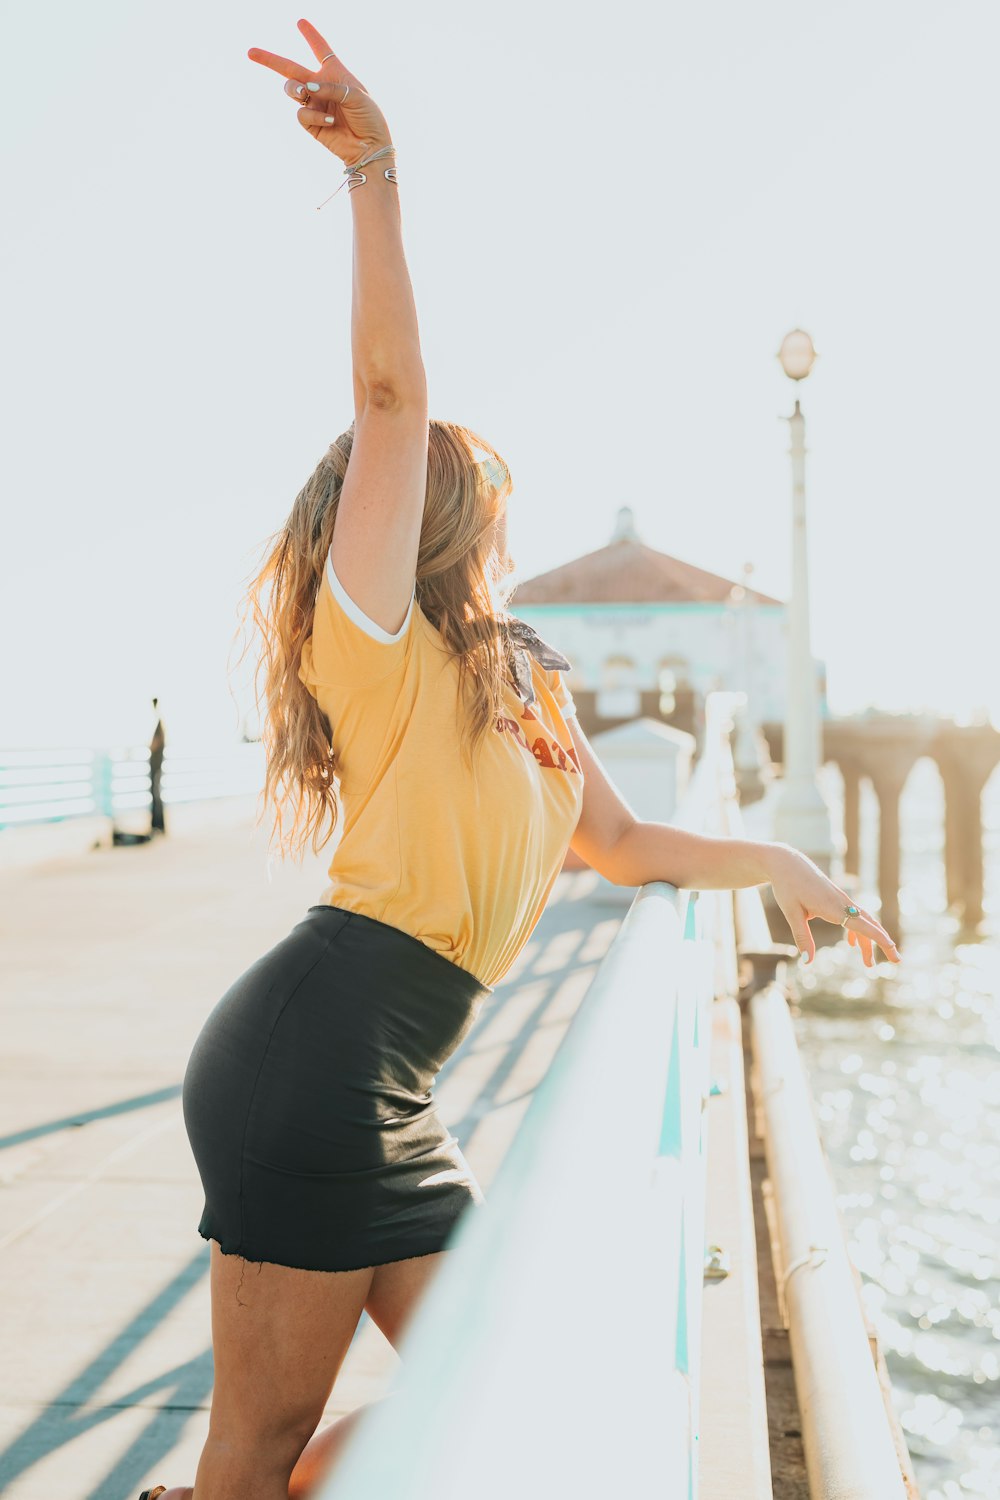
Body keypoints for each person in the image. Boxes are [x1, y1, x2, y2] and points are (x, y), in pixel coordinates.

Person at [139, 20, 901, 1500]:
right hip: (313, 1055)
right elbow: (388, 397)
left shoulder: (526, 688)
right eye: (476, 488)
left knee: (526, 1378)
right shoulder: (371, 640)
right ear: (433, 514)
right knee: (259, 1440)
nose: (498, 506)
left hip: (398, 1083)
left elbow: (626, 848)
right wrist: (376, 174)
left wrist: (787, 863)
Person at [149, 697, 166, 836]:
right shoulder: (158, 723)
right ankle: (157, 825)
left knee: (156, 795)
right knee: (156, 795)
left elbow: (156, 744)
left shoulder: (159, 723)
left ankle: (158, 826)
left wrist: (150, 747)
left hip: (156, 765)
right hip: (156, 764)